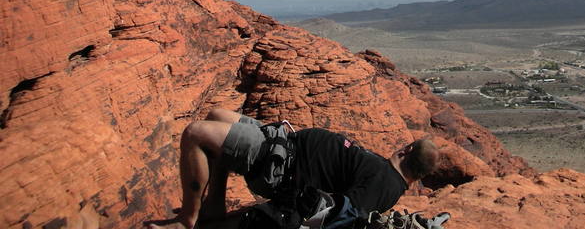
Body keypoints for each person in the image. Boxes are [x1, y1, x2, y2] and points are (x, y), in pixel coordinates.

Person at [145, 108, 440, 229]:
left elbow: (344, 215)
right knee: (216, 113)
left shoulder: (384, 183)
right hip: (282, 143)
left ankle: (190, 217)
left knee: (196, 133)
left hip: (277, 164)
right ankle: (215, 207)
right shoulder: (388, 175)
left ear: (407, 150)